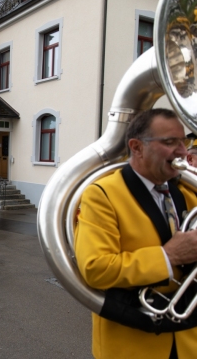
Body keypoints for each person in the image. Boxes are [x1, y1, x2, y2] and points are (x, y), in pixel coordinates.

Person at [75, 109, 197, 359]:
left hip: (187, 340)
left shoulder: (185, 192)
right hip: (133, 343)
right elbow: (96, 268)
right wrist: (167, 256)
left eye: (182, 141)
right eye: (169, 142)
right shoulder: (102, 194)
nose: (182, 151)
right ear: (137, 147)